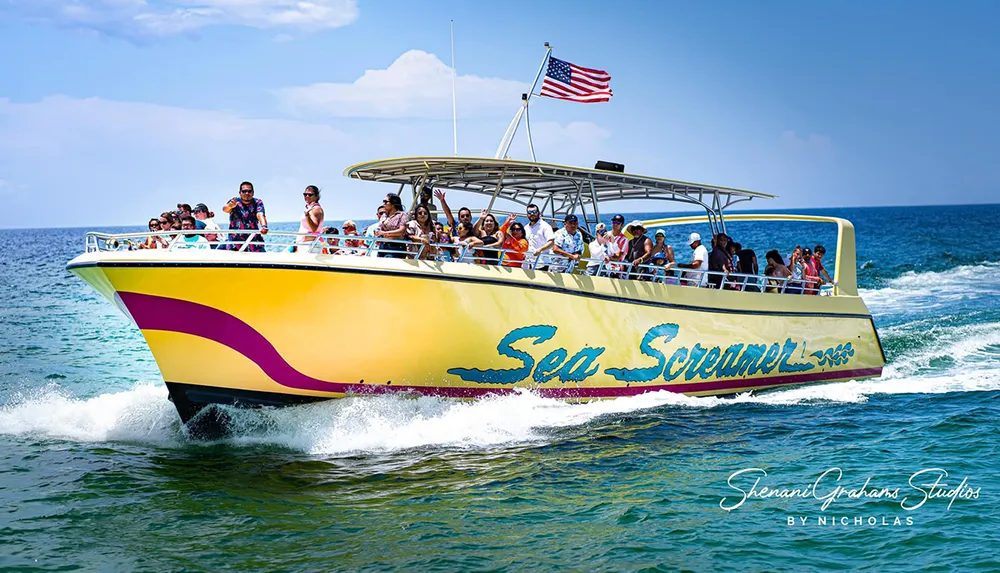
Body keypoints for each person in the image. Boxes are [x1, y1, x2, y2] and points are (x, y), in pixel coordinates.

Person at [223, 181, 268, 252]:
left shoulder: (257, 202)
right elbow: (225, 209)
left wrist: (264, 226)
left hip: (253, 240)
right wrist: (230, 206)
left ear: (253, 193)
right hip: (235, 241)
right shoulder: (234, 202)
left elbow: (260, 214)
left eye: (249, 191)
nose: (247, 193)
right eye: (244, 191)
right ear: (240, 193)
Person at [375, 193, 410, 258]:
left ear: (393, 204)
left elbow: (401, 231)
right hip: (382, 246)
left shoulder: (402, 215)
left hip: (396, 247)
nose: (383, 204)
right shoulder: (384, 215)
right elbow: (379, 228)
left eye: (385, 202)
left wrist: (385, 233)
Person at [523, 203, 554, 270]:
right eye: (529, 212)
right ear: (527, 214)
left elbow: (551, 242)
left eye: (534, 212)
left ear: (538, 213)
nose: (532, 214)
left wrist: (540, 250)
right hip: (528, 263)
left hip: (542, 263)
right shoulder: (526, 228)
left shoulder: (545, 226)